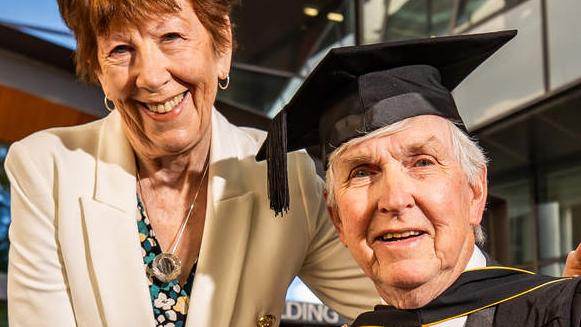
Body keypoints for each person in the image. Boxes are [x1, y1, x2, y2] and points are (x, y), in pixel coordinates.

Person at [4, 0, 380, 326]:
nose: (150, 76)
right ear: (99, 72)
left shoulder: (282, 175)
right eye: (120, 49)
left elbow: (393, 301)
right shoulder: (47, 168)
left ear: (222, 46)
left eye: (171, 38)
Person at [258, 31, 581, 326]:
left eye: (422, 162)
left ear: (475, 191)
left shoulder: (560, 313)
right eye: (362, 172)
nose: (395, 199)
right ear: (338, 220)